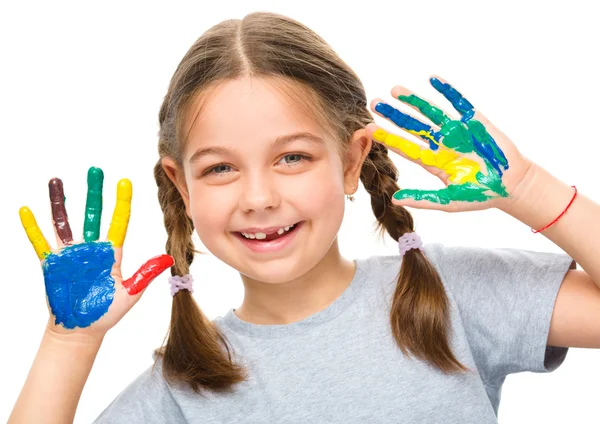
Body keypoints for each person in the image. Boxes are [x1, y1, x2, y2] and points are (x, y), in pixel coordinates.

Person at [8, 11, 600, 424]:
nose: (259, 197)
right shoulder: (187, 385)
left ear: (351, 161)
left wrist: (529, 189)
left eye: (292, 157)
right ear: (180, 186)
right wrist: (69, 343)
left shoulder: (449, 294)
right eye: (219, 168)